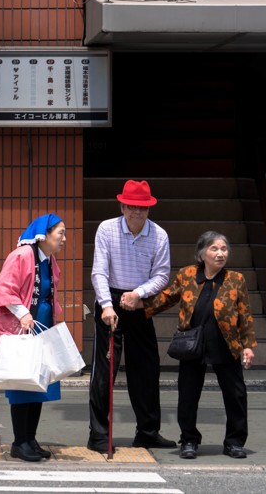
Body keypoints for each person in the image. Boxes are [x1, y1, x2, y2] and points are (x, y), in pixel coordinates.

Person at [142, 231, 257, 459]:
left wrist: (248, 345)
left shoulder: (236, 279)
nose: (220, 253)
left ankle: (234, 442)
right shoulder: (187, 275)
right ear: (202, 253)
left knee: (235, 395)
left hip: (226, 344)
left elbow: (245, 313)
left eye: (224, 249)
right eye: (214, 249)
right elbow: (167, 297)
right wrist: (140, 305)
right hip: (192, 344)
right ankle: (189, 440)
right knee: (187, 395)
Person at [87, 179, 176, 452]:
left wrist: (138, 293)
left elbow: (162, 274)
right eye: (132, 207)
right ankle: (99, 434)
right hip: (110, 302)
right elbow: (99, 271)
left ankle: (148, 432)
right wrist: (106, 305)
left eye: (143, 208)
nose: (137, 212)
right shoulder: (106, 229)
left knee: (147, 370)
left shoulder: (159, 235)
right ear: (123, 206)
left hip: (139, 303)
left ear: (149, 209)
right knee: (105, 370)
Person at [0, 213, 67, 462]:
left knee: (38, 386)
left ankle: (30, 439)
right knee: (23, 385)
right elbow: (4, 289)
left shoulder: (48, 260)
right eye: (61, 233)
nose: (64, 238)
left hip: (41, 328)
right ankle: (19, 442)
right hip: (24, 329)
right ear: (44, 235)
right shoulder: (22, 255)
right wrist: (23, 313)